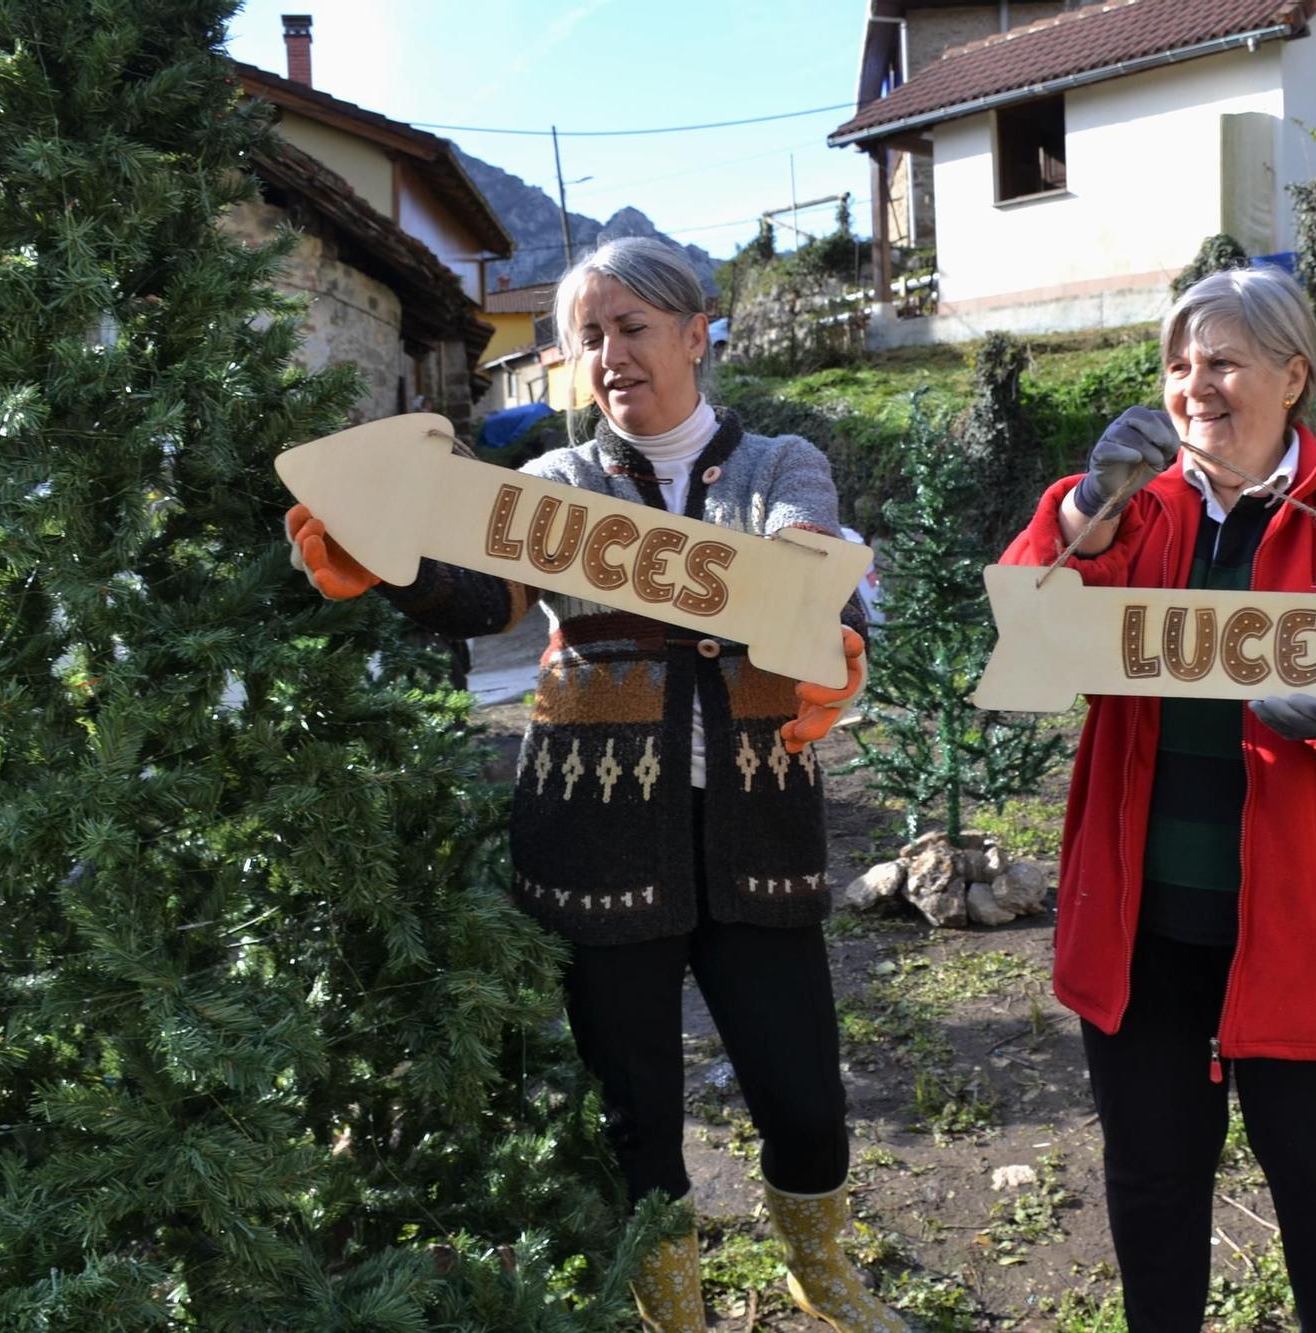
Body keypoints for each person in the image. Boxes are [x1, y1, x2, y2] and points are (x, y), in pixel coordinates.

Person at [284, 237, 902, 1333]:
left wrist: (827, 619)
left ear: (694, 331)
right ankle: (671, 1308)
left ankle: (820, 1269)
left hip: (758, 823)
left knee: (803, 1096)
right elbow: (488, 594)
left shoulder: (778, 461)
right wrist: (388, 564)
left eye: (632, 327)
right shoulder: (556, 486)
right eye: (588, 337)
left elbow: (801, 557)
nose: (610, 354)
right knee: (637, 1109)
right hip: (599, 834)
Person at [998, 266, 1316, 1333]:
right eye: (1178, 363)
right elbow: (1029, 626)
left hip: (1307, 929)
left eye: (1225, 361)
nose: (1196, 385)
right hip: (1143, 925)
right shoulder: (1132, 513)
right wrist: (1087, 509)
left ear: (1292, 377)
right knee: (1151, 1184)